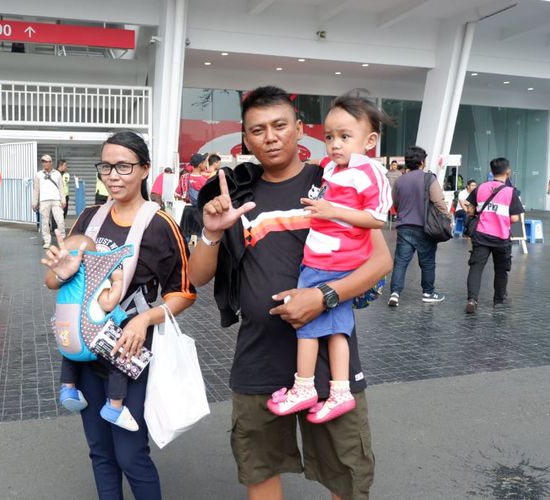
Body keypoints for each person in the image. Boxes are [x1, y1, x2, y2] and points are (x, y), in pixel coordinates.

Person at [189, 86, 392, 500]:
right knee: (259, 468)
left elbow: (380, 262)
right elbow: (195, 277)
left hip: (329, 363)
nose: (271, 136)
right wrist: (212, 231)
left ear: (300, 130)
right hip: (258, 357)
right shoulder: (235, 192)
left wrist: (323, 298)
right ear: (245, 139)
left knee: (347, 476)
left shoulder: (333, 180)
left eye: (280, 125)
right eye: (258, 130)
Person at [42, 131, 196, 499]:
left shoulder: (161, 224)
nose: (113, 175)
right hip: (83, 353)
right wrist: (60, 271)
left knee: (130, 455)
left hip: (128, 354)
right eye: (106, 166)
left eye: (124, 166)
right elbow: (53, 281)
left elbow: (184, 293)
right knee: (100, 452)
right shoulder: (90, 218)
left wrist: (145, 320)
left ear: (144, 169)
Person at [267, 92, 392, 424]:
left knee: (306, 323)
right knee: (337, 331)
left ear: (370, 140)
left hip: (331, 262)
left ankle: (305, 386)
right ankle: (340, 391)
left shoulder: (371, 172)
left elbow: (378, 219)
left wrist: (332, 210)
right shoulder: (332, 168)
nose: (335, 144)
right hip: (322, 255)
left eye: (345, 137)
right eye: (330, 137)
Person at [49, 234, 140, 432]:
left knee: (71, 355)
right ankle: (114, 407)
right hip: (91, 340)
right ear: (91, 257)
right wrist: (116, 281)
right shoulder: (94, 279)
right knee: (120, 360)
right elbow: (108, 302)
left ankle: (68, 389)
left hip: (66, 341)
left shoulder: (66, 280)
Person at [387, 145, 448, 307]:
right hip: (425, 227)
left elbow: (396, 203)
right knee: (427, 262)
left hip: (404, 226)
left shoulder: (400, 180)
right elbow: (438, 201)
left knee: (401, 261)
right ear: (422, 162)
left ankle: (395, 293)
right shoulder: (429, 179)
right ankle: (428, 293)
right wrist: (446, 215)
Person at [464, 158, 524, 313]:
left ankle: (472, 299)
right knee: (501, 269)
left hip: (481, 235)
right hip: (501, 238)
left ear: (491, 172)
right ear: (508, 172)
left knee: (476, 267)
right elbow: (515, 218)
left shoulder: (481, 188)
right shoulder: (511, 192)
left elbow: (470, 209)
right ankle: (498, 300)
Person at [32, 154, 65, 249]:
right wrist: (35, 202)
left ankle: (62, 239)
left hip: (56, 200)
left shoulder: (57, 174)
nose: (44, 163)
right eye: (43, 161)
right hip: (44, 201)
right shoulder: (38, 175)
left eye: (47, 161)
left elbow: (61, 188)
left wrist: (63, 199)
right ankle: (47, 241)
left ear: (51, 163)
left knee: (60, 221)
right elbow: (36, 189)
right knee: (45, 222)